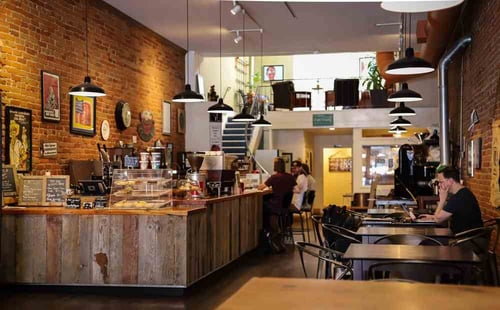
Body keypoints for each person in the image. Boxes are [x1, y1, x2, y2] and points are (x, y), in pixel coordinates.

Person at [419, 166, 483, 234]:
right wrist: (432, 217)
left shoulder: (459, 197)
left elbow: (437, 220)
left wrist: (442, 200)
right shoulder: (463, 192)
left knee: (426, 241)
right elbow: (439, 217)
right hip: (466, 237)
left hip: (468, 240)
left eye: (441, 182)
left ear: (450, 181)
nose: (439, 185)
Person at [258, 157, 296, 232]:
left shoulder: (274, 177)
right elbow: (295, 188)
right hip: (285, 205)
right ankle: (278, 228)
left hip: (276, 204)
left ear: (275, 166)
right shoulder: (290, 177)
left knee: (262, 206)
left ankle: (269, 230)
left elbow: (260, 188)